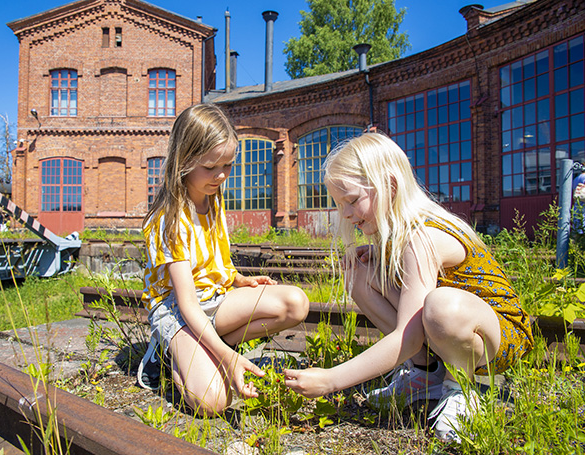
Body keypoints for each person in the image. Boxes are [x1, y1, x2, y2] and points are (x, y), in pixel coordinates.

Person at [283, 133, 533, 442]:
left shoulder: (422, 237)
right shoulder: (400, 237)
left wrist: (332, 380)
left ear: (389, 186)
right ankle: (426, 374)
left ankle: (467, 386)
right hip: (453, 331)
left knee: (442, 307)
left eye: (351, 200)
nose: (345, 214)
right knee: (362, 272)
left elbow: (408, 334)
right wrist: (380, 255)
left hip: (497, 336)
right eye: (339, 204)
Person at [139, 103, 309, 417]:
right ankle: (168, 356)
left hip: (213, 299)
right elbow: (187, 304)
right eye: (210, 166)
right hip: (177, 310)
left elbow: (216, 257)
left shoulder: (213, 196)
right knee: (214, 402)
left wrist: (239, 280)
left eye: (228, 165)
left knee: (295, 303)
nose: (220, 175)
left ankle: (205, 350)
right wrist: (230, 359)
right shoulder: (170, 219)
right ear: (183, 161)